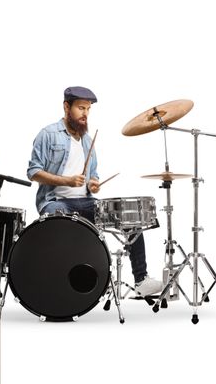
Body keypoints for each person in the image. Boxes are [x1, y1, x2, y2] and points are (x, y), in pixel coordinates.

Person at [27, 86, 163, 296]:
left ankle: (141, 279)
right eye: (81, 108)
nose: (85, 113)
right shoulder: (48, 135)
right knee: (55, 217)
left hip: (85, 201)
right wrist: (66, 181)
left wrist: (94, 183)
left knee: (130, 215)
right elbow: (33, 172)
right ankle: (64, 281)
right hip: (55, 200)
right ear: (66, 107)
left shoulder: (87, 140)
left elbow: (93, 174)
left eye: (88, 109)